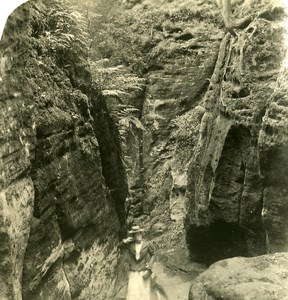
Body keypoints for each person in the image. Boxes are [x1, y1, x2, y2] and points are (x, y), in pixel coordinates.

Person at [118, 225, 155, 300]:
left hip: (144, 271)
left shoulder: (147, 244)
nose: (139, 235)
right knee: (132, 292)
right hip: (133, 271)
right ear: (133, 236)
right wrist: (124, 241)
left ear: (142, 234)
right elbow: (119, 246)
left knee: (144, 292)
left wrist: (150, 264)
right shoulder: (130, 244)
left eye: (139, 233)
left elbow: (153, 254)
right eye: (136, 234)